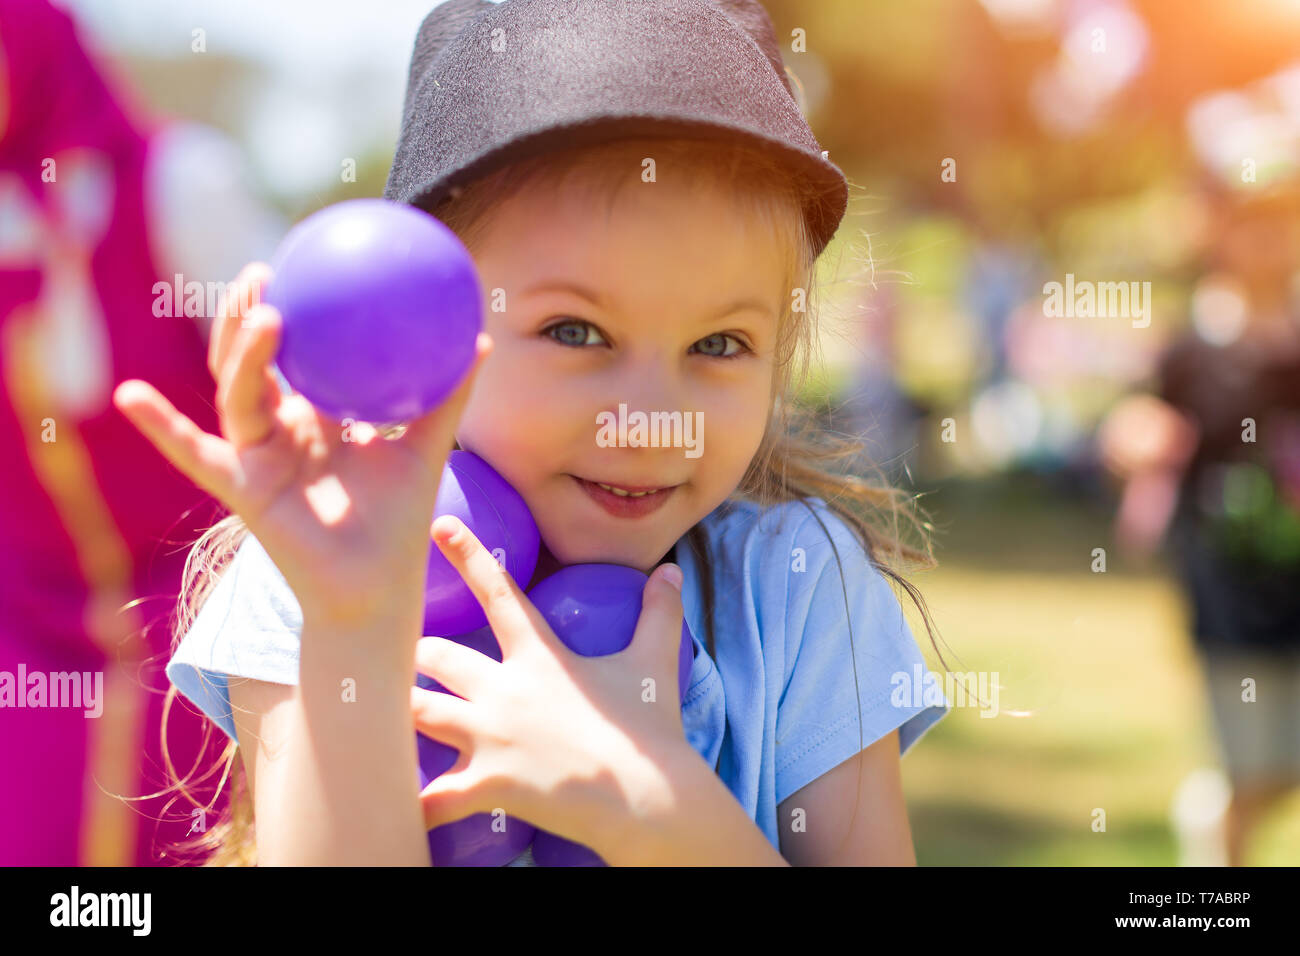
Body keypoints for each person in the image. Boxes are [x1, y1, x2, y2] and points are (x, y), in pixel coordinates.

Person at [114, 0, 950, 866]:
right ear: (425, 327)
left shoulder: (796, 586)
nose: (650, 417)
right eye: (576, 332)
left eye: (719, 344)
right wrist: (352, 626)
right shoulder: (321, 564)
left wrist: (652, 808)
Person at [0, 0, 277, 864]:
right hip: (28, 615)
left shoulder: (176, 181)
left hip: (197, 591)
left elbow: (287, 376)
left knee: (201, 834)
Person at [1099, 183, 1300, 866]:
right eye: (1255, 227)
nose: (1269, 243)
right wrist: (1133, 443)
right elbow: (1143, 427)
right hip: (1228, 585)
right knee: (1248, 761)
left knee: (1284, 766)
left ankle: (1216, 820)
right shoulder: (1195, 349)